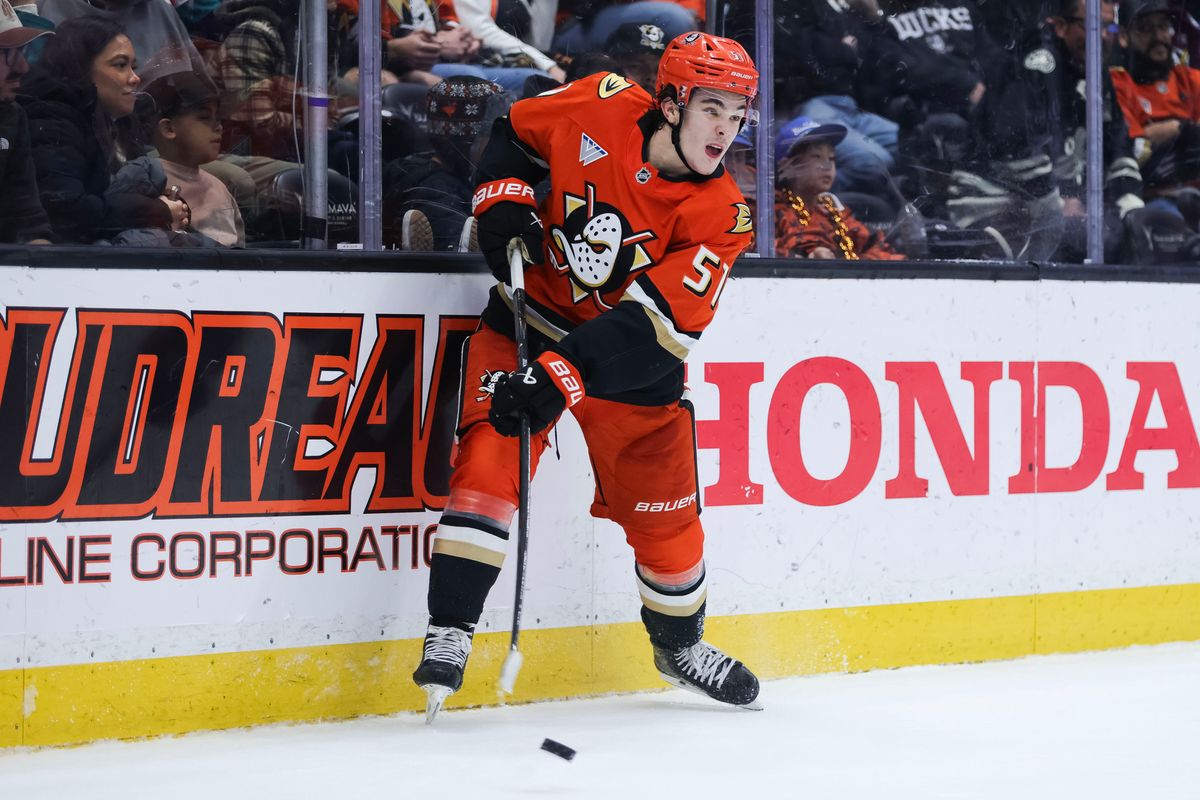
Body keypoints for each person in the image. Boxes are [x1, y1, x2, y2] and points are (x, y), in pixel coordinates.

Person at [412, 32, 762, 717]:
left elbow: (650, 328)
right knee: (487, 468)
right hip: (529, 322)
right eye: (711, 107)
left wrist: (558, 377)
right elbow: (514, 129)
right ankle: (449, 629)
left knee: (668, 528)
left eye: (738, 112)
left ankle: (678, 645)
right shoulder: (599, 102)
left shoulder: (725, 216)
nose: (726, 128)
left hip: (632, 370)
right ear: (670, 103)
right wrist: (503, 205)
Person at [19, 16, 188, 243]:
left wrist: (171, 206)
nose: (135, 78)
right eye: (120, 65)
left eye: (133, 66)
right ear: (80, 67)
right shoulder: (52, 121)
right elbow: (68, 209)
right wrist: (155, 211)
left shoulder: (118, 121)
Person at [383, 76, 507, 249]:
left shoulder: (478, 177)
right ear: (466, 142)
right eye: (494, 135)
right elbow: (459, 251)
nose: (504, 144)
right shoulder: (427, 186)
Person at [1110, 0, 1200, 213]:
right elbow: (1130, 146)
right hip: (1147, 203)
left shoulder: (1189, 79)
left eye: (1163, 26)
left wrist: (1174, 129)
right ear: (1124, 36)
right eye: (1145, 28)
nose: (1158, 36)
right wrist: (1185, 129)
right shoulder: (1116, 84)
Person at [774, 118, 903, 260]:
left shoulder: (833, 212)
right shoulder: (770, 213)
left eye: (832, 158)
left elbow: (874, 248)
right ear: (787, 165)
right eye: (817, 156)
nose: (827, 165)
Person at [145, 72, 245, 247]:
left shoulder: (220, 188)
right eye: (204, 117)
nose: (218, 126)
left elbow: (239, 251)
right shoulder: (147, 185)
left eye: (218, 117)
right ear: (169, 128)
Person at [0, 0, 52, 244]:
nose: (22, 67)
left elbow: (27, 219)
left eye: (21, 52)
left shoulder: (11, 116)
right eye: (5, 52)